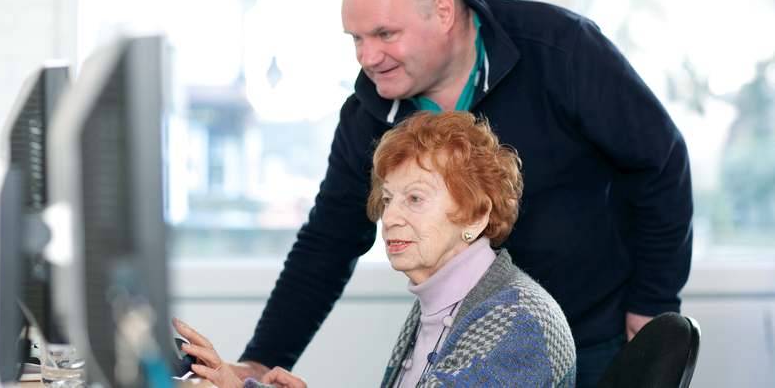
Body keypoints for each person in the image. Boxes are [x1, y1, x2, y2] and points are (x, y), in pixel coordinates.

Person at [233, 0, 693, 387]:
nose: (367, 57)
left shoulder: (560, 49)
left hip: (594, 327)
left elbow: (660, 162)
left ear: (443, 9)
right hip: (468, 336)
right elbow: (327, 242)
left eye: (385, 34)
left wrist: (652, 302)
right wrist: (259, 361)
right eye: (355, 38)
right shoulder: (366, 113)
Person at [177, 111, 577, 388]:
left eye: (415, 199)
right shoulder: (445, 304)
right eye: (388, 199)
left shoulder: (516, 324)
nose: (391, 218)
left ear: (476, 216)